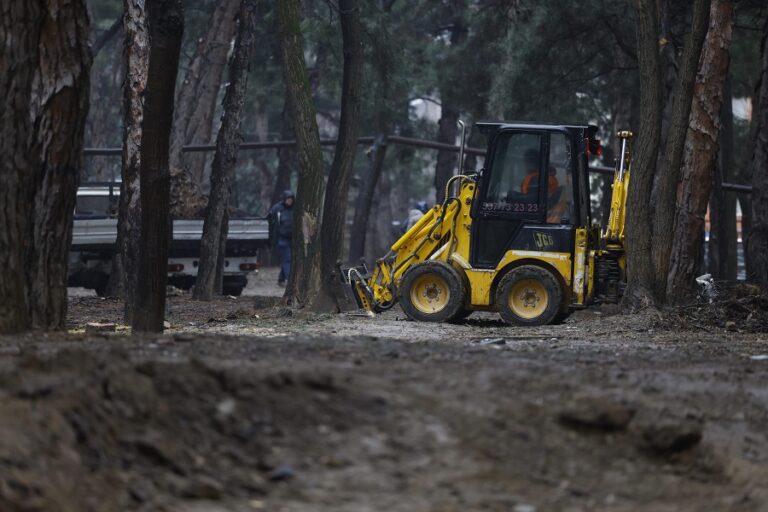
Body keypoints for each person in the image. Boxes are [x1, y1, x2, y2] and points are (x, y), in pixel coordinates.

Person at [268, 190, 294, 286]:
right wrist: (272, 240)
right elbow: (271, 223)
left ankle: (281, 279)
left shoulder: (296, 208)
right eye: (288, 199)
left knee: (288, 259)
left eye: (291, 199)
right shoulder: (277, 208)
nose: (290, 201)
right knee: (288, 259)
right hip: (282, 239)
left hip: (293, 239)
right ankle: (288, 279)